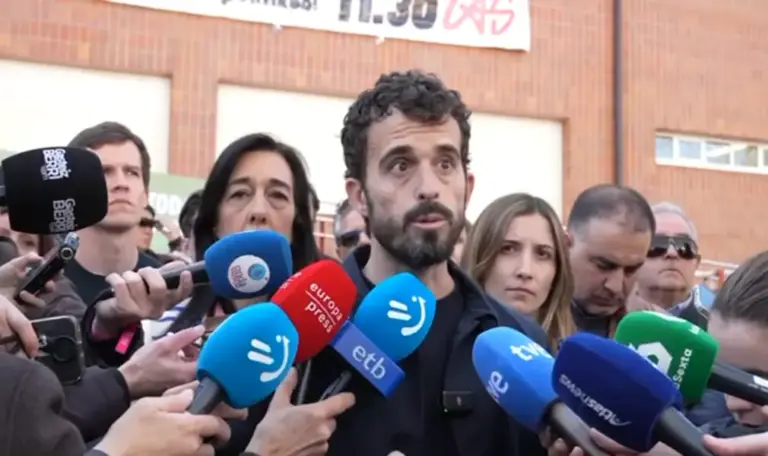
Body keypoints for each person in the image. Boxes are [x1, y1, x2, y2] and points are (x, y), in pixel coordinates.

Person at [244, 70, 548, 456]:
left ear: (467, 187)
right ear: (359, 196)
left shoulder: (521, 345)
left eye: (445, 164)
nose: (428, 187)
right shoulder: (289, 333)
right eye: (401, 165)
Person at [62, 122, 194, 367]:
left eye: (132, 172)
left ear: (145, 195)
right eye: (104, 172)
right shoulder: (46, 285)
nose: (121, 183)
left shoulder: (169, 286)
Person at [462, 193, 576, 351]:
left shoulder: (569, 367)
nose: (525, 270)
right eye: (508, 249)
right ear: (480, 254)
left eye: (542, 254)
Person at [566, 184, 654, 337]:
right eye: (604, 265)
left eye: (631, 270)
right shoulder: (521, 319)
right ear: (565, 245)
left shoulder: (655, 332)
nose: (615, 286)